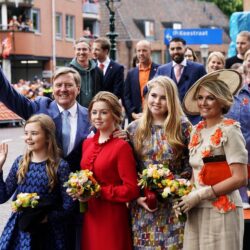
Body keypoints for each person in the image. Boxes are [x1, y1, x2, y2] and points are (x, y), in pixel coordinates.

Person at [179, 69, 247, 250]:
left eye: (210, 98)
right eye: (200, 98)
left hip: (222, 212)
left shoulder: (230, 130)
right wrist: (184, 193)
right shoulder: (196, 130)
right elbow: (197, 172)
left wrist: (201, 194)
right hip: (195, 210)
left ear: (222, 101)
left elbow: (240, 177)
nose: (203, 103)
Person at [127, 76, 192, 249]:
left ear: (171, 100)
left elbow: (191, 163)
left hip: (175, 205)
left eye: (163, 98)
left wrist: (175, 185)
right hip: (145, 205)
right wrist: (137, 195)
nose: (157, 101)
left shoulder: (183, 127)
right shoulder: (133, 129)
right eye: (153, 96)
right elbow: (128, 167)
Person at [0, 114, 73, 249]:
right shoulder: (20, 162)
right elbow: (2, 197)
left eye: (34, 133)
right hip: (21, 230)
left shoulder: (60, 166)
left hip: (48, 232)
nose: (28, 137)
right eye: (26, 133)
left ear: (47, 137)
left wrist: (47, 218)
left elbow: (68, 205)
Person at [78, 91, 140, 250]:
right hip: (90, 214)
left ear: (114, 115)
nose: (98, 116)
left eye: (104, 112)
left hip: (112, 216)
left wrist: (100, 191)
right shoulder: (87, 144)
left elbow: (131, 190)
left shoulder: (121, 147)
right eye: (94, 112)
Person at [0, 67, 90, 172]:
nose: (63, 89)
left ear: (78, 89)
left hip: (78, 183)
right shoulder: (39, 108)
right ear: (53, 89)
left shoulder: (91, 116)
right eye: (58, 85)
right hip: (44, 183)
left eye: (69, 85)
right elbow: (9, 94)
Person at [155, 37, 206, 124]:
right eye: (172, 49)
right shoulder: (162, 70)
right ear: (169, 50)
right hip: (168, 120)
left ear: (185, 49)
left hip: (193, 120)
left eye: (178, 48)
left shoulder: (198, 69)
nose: (175, 51)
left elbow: (206, 91)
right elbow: (151, 90)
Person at [227, 55, 250, 209]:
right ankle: (240, 199)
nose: (239, 77)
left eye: (241, 73)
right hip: (232, 142)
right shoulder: (226, 95)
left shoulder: (248, 93)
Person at [124, 40, 159, 122]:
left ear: (151, 51)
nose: (141, 53)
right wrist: (132, 113)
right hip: (136, 118)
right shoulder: (131, 73)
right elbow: (126, 96)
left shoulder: (160, 70)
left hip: (155, 117)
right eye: (138, 51)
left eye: (144, 50)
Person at [69, 37, 104, 108]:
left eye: (84, 49)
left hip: (94, 111)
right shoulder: (68, 71)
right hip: (75, 111)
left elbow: (102, 92)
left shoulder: (98, 71)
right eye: (78, 49)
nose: (81, 52)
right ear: (74, 51)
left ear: (89, 51)